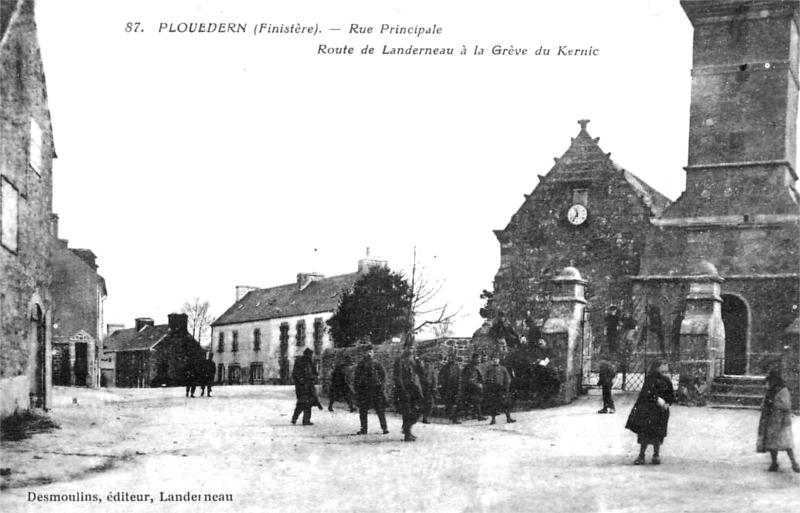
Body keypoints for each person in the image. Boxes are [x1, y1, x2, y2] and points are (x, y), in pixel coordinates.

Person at [625, 359, 674, 465]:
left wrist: (667, 403)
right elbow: (646, 393)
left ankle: (656, 455)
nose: (666, 367)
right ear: (658, 366)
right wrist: (657, 400)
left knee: (658, 433)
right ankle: (641, 455)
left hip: (661, 412)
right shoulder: (651, 378)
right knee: (645, 433)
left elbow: (671, 394)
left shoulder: (667, 380)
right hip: (649, 410)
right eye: (664, 364)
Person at [756, 370, 799, 473]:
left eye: (771, 380)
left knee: (786, 443)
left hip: (781, 420)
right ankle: (774, 463)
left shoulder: (783, 390)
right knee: (772, 443)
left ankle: (794, 464)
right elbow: (764, 403)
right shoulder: (770, 390)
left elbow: (786, 405)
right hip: (771, 419)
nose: (770, 382)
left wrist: (773, 403)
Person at [353, 345, 389, 435]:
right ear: (364, 353)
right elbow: (356, 377)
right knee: (363, 410)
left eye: (370, 352)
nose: (368, 354)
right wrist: (356, 388)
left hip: (376, 389)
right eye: (367, 352)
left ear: (373, 353)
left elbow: (383, 375)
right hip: (364, 390)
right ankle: (363, 429)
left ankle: (384, 428)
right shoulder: (360, 364)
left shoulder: (377, 364)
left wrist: (382, 386)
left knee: (380, 409)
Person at [394, 344, 426, 441]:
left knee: (420, 409)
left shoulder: (414, 359)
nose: (411, 350)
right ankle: (407, 433)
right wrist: (402, 390)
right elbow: (397, 376)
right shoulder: (400, 360)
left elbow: (421, 373)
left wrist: (419, 363)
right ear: (405, 348)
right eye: (409, 347)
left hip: (415, 389)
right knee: (407, 411)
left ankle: (406, 428)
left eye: (412, 347)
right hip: (405, 389)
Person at [291, 348, 323, 426]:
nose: (310, 357)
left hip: (309, 386)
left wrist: (315, 377)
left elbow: (315, 372)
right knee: (301, 403)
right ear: (306, 354)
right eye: (309, 355)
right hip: (301, 386)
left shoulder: (310, 362)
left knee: (309, 403)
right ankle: (294, 418)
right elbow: (294, 374)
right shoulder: (299, 362)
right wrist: (300, 380)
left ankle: (306, 420)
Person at [484, 354, 516, 425]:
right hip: (492, 389)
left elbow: (507, 378)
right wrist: (488, 386)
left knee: (505, 403)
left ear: (499, 360)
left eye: (497, 359)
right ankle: (493, 419)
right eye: (494, 359)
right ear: (492, 360)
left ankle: (508, 417)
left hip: (502, 388)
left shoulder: (503, 368)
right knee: (493, 404)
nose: (495, 360)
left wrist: (506, 387)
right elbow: (485, 378)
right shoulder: (489, 369)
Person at [461, 353, 487, 421]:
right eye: (477, 358)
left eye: (479, 358)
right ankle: (479, 416)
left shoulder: (477, 366)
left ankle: (474, 415)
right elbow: (468, 379)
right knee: (476, 401)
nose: (479, 360)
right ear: (473, 359)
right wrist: (477, 384)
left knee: (477, 401)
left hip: (477, 387)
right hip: (471, 387)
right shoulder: (469, 367)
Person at [438, 354, 462, 424]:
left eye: (452, 358)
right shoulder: (444, 367)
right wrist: (442, 384)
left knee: (456, 401)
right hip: (447, 387)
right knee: (448, 401)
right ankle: (450, 415)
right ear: (448, 359)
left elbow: (458, 376)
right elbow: (441, 377)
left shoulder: (456, 367)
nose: (451, 359)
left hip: (455, 386)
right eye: (450, 358)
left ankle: (453, 415)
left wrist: (459, 385)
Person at [419, 355, 438, 424]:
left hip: (429, 388)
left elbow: (434, 378)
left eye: (429, 361)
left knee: (430, 404)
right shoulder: (421, 369)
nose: (427, 363)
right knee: (422, 403)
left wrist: (434, 387)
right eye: (426, 361)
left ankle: (425, 417)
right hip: (422, 388)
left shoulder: (431, 369)